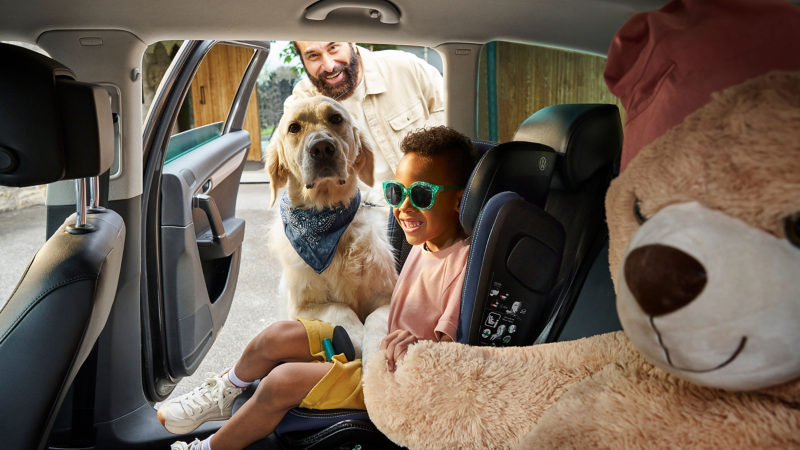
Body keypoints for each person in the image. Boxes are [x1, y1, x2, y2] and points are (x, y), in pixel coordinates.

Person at [163, 126, 477, 450]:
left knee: (280, 383)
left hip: (394, 374)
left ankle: (206, 448)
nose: (404, 208)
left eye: (422, 195)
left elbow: (446, 358)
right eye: (397, 193)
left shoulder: (463, 265)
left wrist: (414, 346)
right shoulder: (425, 245)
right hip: (374, 345)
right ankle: (224, 392)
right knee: (276, 336)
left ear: (459, 201)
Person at [287, 42, 445, 186]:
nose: (329, 66)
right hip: (357, 212)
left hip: (422, 204)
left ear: (352, 43)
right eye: (313, 56)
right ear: (303, 62)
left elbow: (455, 134)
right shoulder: (299, 106)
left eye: (333, 48)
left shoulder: (409, 68)